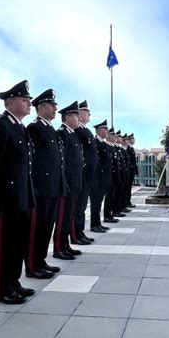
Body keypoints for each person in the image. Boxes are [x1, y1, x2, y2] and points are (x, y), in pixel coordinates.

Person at [0, 80, 36, 304]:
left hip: (22, 197)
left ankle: (13, 282)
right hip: (5, 198)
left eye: (29, 101)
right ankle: (0, 288)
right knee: (3, 245)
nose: (29, 104)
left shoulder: (19, 127)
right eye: (24, 100)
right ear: (10, 102)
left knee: (17, 243)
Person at [26, 89, 66, 278]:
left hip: (52, 186)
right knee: (37, 227)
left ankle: (40, 261)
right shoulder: (35, 128)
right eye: (52, 106)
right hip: (41, 187)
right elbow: (32, 159)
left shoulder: (49, 127)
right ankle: (32, 265)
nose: (55, 109)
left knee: (47, 226)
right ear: (40, 107)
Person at [53, 101, 83, 260]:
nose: (79, 118)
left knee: (69, 215)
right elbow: (62, 162)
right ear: (67, 117)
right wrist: (63, 181)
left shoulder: (72, 133)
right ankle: (58, 247)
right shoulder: (62, 133)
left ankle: (65, 245)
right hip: (67, 183)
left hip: (75, 181)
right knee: (62, 216)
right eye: (76, 115)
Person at [73, 100, 97, 244]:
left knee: (82, 206)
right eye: (87, 112)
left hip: (88, 175)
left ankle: (80, 232)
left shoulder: (85, 130)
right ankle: (76, 234)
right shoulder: (78, 130)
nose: (89, 115)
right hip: (81, 174)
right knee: (78, 207)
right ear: (80, 113)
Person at [89, 119, 112, 232]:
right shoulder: (95, 142)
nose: (106, 131)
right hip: (97, 178)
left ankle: (98, 223)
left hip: (103, 178)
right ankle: (94, 224)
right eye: (105, 128)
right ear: (99, 130)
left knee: (99, 202)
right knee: (96, 202)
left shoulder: (102, 143)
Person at [103, 127, 120, 224]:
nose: (115, 137)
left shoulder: (112, 147)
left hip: (114, 176)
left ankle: (110, 214)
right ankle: (107, 215)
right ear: (108, 136)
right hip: (109, 175)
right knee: (109, 196)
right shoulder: (106, 146)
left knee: (112, 196)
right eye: (113, 135)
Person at [125, 133, 138, 208]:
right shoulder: (128, 148)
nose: (134, 140)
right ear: (129, 140)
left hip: (131, 171)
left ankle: (128, 201)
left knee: (129, 187)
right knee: (127, 188)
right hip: (128, 171)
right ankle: (126, 202)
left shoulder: (131, 148)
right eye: (132, 138)